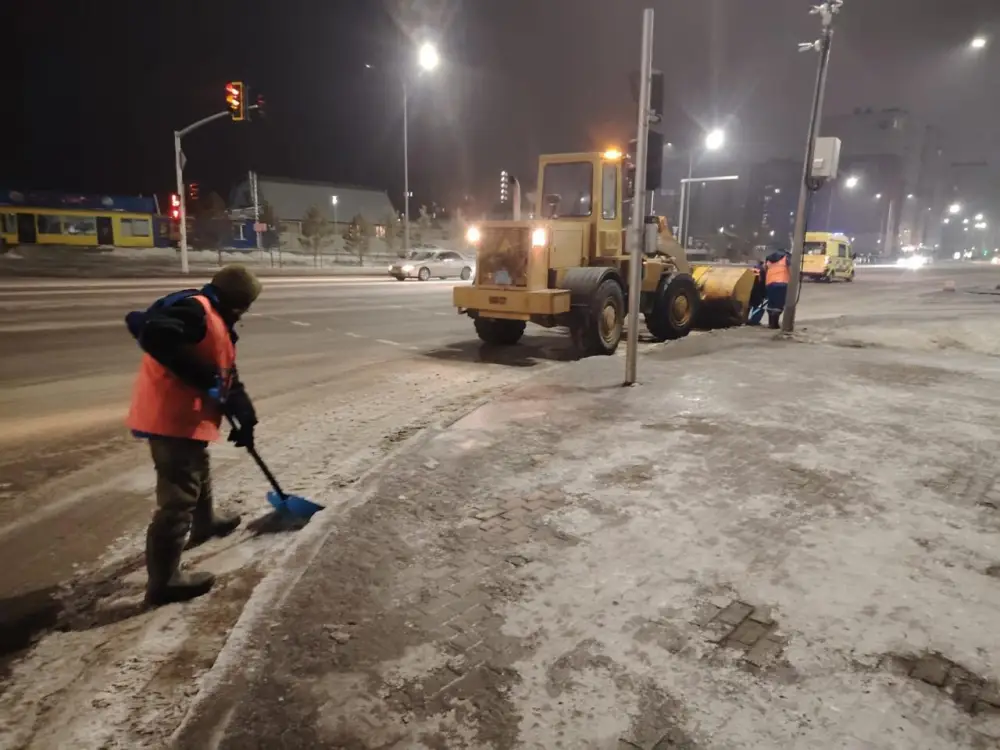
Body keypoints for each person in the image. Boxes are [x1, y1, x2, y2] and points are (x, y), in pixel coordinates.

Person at [125, 265, 262, 606]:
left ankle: (206, 523)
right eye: (244, 305)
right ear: (235, 302)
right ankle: (164, 582)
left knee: (198, 468)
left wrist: (244, 415)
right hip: (170, 420)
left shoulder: (216, 318)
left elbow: (226, 373)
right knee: (178, 499)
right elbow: (155, 335)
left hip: (187, 418)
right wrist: (204, 377)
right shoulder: (195, 310)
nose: (245, 312)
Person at [764, 249, 791, 329]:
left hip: (769, 283)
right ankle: (774, 324)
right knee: (778, 304)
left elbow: (765, 269)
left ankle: (770, 323)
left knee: (771, 304)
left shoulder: (769, 259)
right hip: (781, 283)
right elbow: (791, 269)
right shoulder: (786, 258)